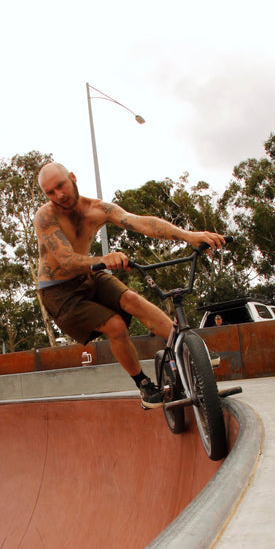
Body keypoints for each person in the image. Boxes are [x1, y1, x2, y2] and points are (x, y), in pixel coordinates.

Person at [36, 162, 227, 408]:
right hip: (59, 291)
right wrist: (104, 260)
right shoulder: (46, 216)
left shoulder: (98, 209)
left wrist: (189, 236)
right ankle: (144, 385)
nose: (58, 195)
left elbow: (140, 222)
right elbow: (65, 260)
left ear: (72, 177)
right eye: (50, 192)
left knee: (133, 300)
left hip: (90, 274)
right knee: (115, 325)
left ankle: (191, 352)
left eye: (60, 185)